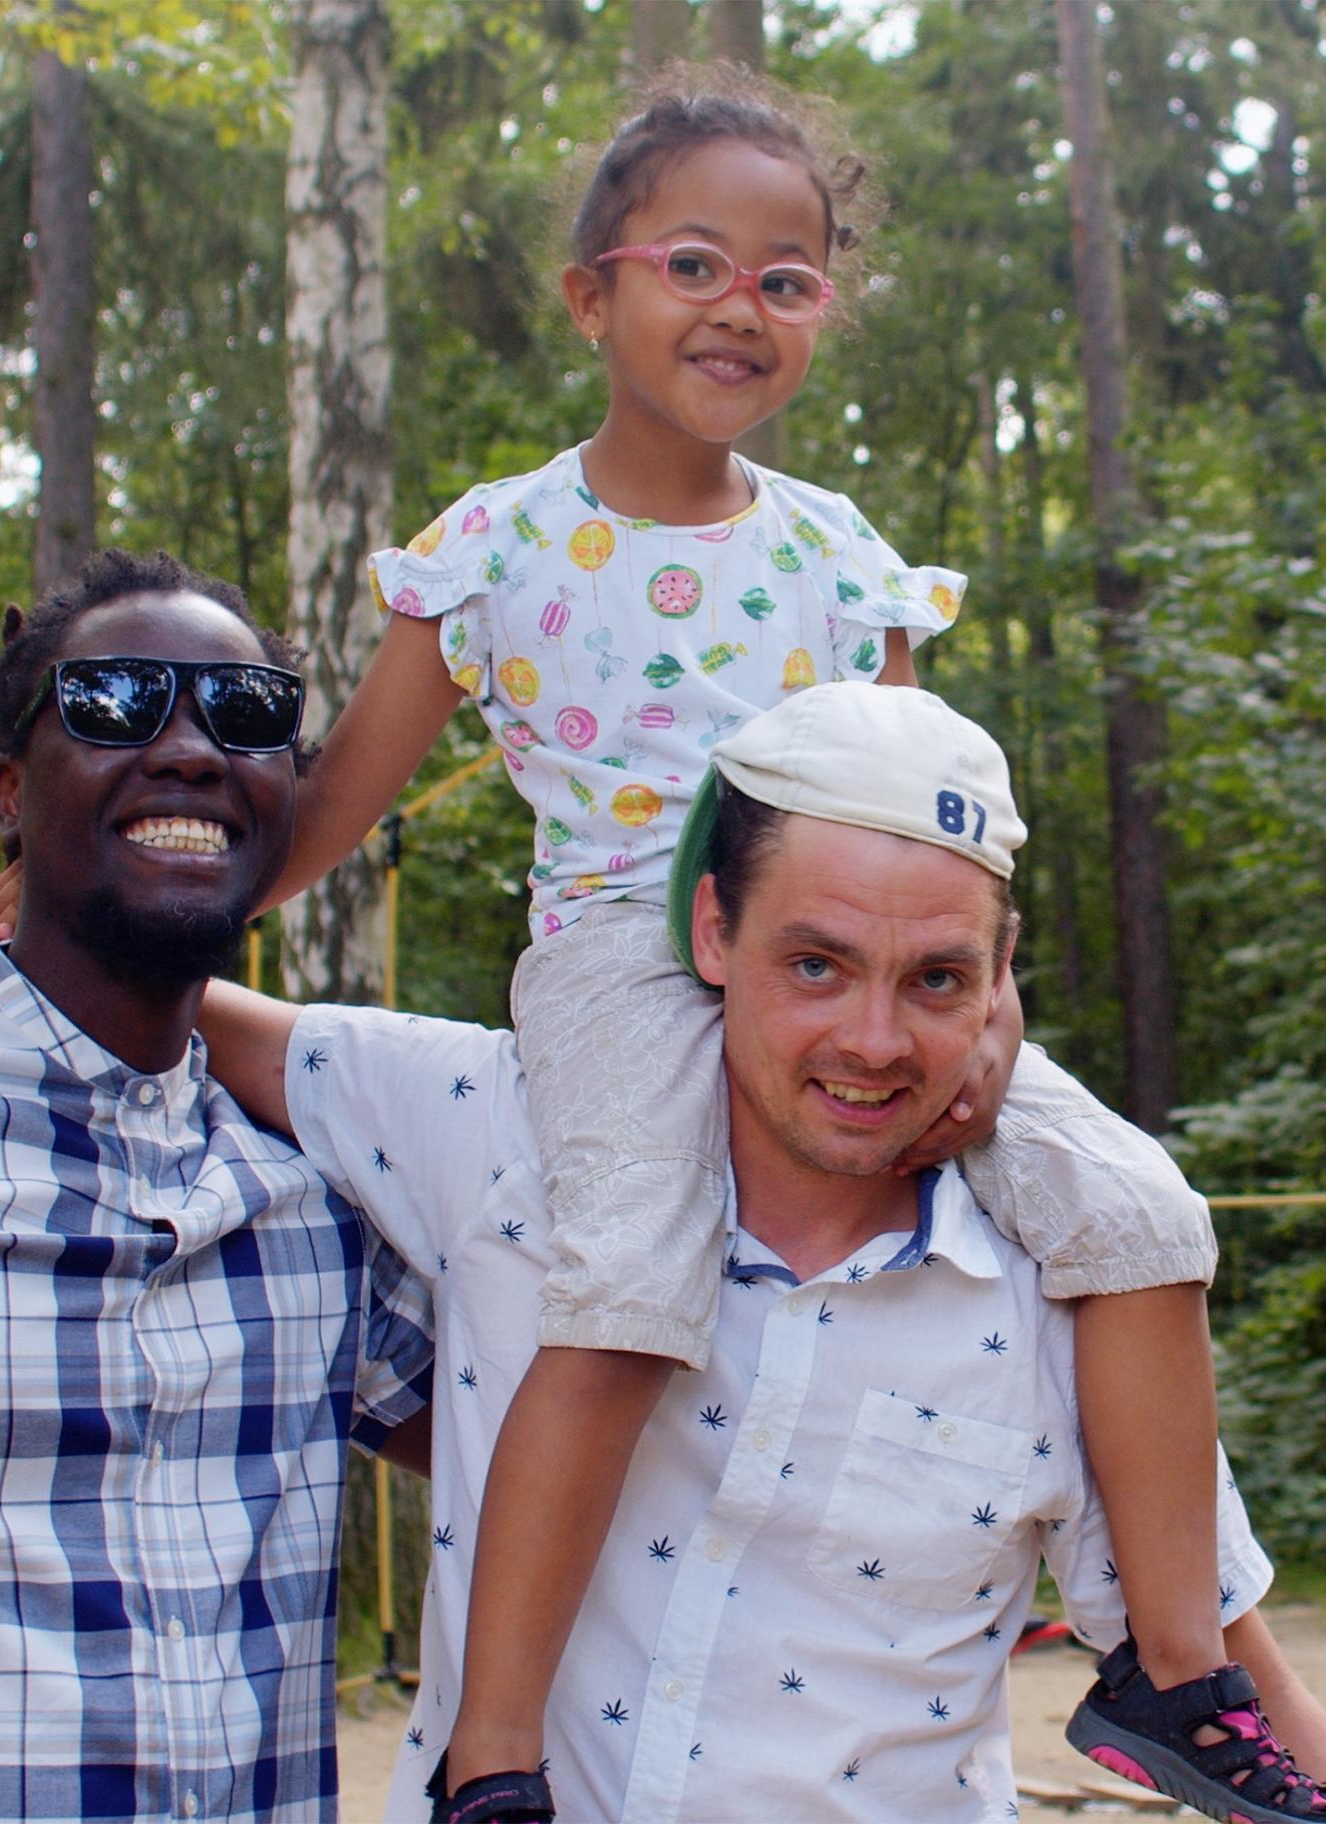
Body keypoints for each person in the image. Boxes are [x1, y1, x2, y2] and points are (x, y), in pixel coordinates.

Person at [220, 65, 1233, 1817]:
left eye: (787, 275)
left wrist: (983, 1014)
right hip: (623, 949)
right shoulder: (497, 549)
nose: (738, 306)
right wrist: (124, 927)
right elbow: (324, 818)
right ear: (591, 291)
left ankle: (1171, 1665)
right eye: (692, 263)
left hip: (844, 954)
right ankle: (492, 1752)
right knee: (620, 1275)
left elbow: (928, 827)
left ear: (822, 310)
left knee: (1140, 1209)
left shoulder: (842, 564)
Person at [197, 683, 1326, 1824]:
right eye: (815, 966)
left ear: (1000, 979)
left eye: (936, 978)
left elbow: (1229, 1678)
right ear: (712, 932)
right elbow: (131, 1008)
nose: (872, 1043)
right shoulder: (509, 1137)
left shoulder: (1075, 1296)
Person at [0, 550, 433, 1824]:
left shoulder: (323, 1180)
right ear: (10, 790)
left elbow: (537, 1437)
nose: (188, 748)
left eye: (246, 713)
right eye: (118, 702)